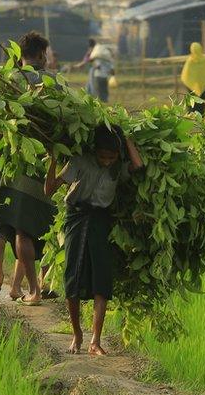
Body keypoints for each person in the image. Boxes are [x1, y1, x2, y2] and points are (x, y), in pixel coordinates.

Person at [0, 31, 56, 305]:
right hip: (40, 166)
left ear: (21, 55)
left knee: (15, 226)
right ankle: (33, 289)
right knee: (28, 229)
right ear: (42, 55)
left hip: (10, 164)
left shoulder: (9, 82)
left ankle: (33, 289)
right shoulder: (53, 84)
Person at [44, 125, 144, 355]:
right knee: (73, 275)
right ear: (94, 151)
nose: (107, 161)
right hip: (76, 217)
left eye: (111, 157)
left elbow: (138, 165)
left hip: (101, 220)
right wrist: (52, 160)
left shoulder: (118, 169)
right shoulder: (80, 162)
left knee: (102, 278)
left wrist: (126, 137)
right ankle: (77, 334)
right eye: (102, 156)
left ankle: (95, 341)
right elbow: (49, 189)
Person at [181, 42, 205, 114]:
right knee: (201, 104)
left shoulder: (190, 61)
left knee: (192, 104)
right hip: (203, 87)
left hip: (191, 87)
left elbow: (185, 76)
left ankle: (191, 120)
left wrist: (188, 85)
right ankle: (200, 120)